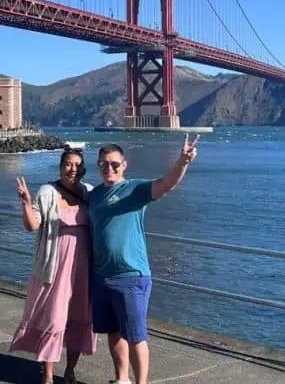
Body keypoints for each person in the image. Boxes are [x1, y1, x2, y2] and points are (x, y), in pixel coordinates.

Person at [88, 135, 200, 384]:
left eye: (115, 164)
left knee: (137, 336)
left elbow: (165, 184)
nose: (109, 168)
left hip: (131, 276)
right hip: (101, 276)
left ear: (124, 165)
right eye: (104, 164)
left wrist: (182, 162)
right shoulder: (93, 195)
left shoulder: (135, 189)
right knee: (113, 333)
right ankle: (122, 379)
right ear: (98, 165)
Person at [9, 148, 97, 384]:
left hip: (83, 269)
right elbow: (33, 225)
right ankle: (48, 375)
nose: (73, 169)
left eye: (78, 165)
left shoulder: (88, 192)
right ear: (60, 166)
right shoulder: (48, 192)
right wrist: (26, 203)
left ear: (83, 169)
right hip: (56, 266)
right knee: (55, 320)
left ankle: (69, 371)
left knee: (79, 319)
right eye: (68, 164)